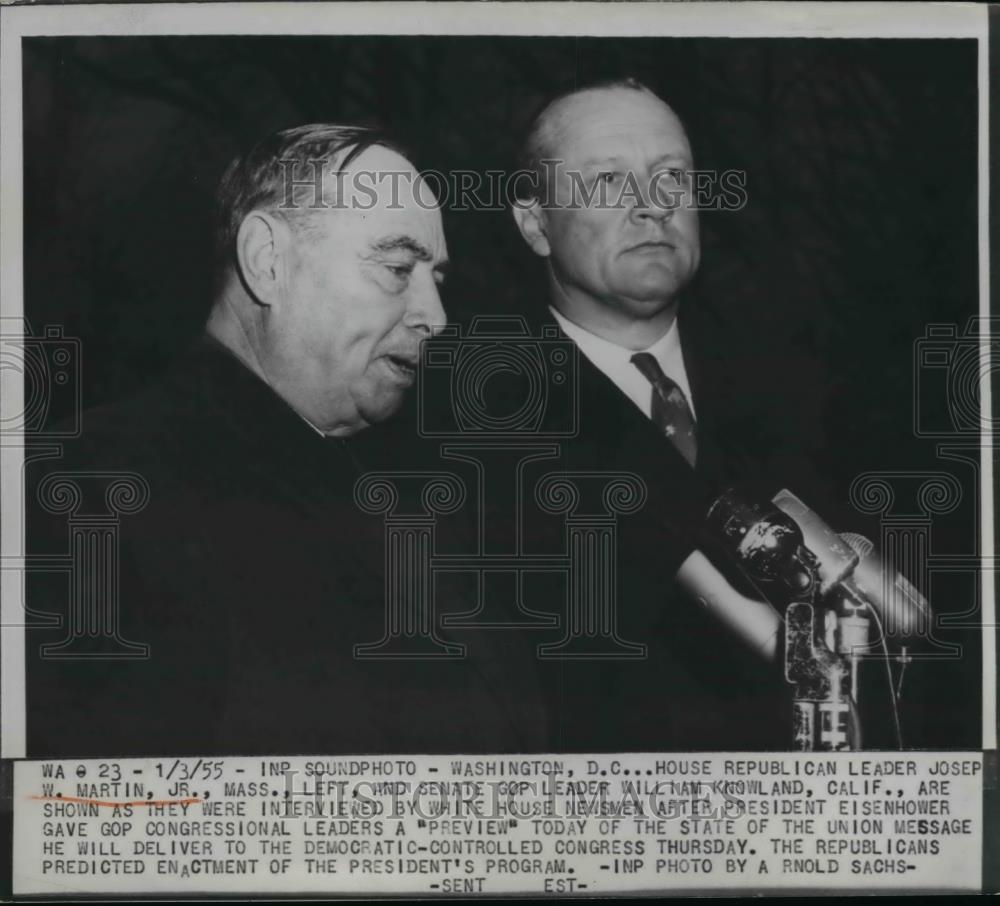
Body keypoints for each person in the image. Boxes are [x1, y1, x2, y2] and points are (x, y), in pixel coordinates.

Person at [25, 123, 548, 756]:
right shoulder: (87, 492)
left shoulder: (430, 498)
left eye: (436, 277)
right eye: (396, 267)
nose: (435, 318)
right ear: (267, 262)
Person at [502, 78, 842, 750]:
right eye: (607, 181)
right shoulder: (480, 424)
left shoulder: (805, 390)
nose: (653, 206)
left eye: (672, 178)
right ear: (535, 223)